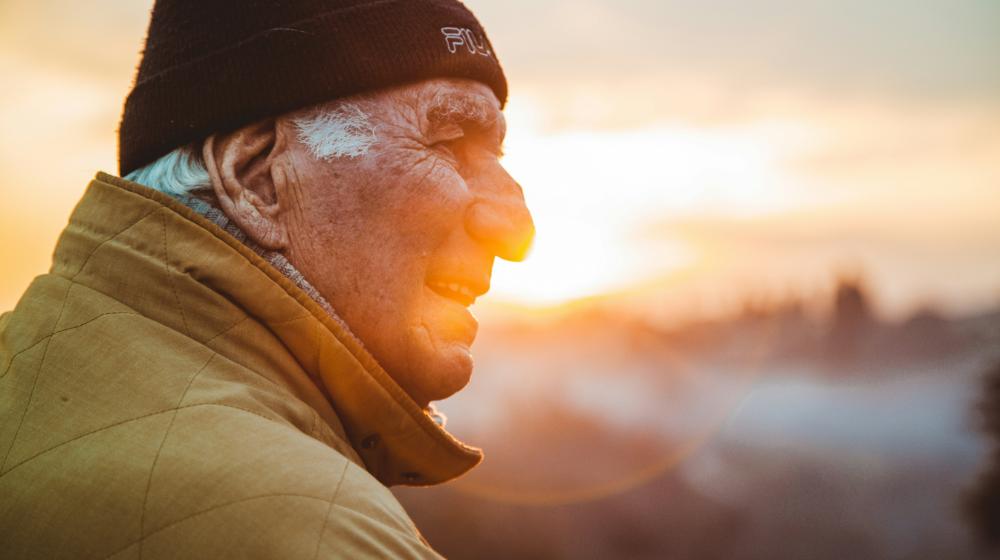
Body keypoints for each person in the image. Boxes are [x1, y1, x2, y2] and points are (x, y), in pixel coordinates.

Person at [0, 1, 533, 558]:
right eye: (446, 144)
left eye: (496, 153)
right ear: (256, 182)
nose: (516, 228)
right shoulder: (322, 534)